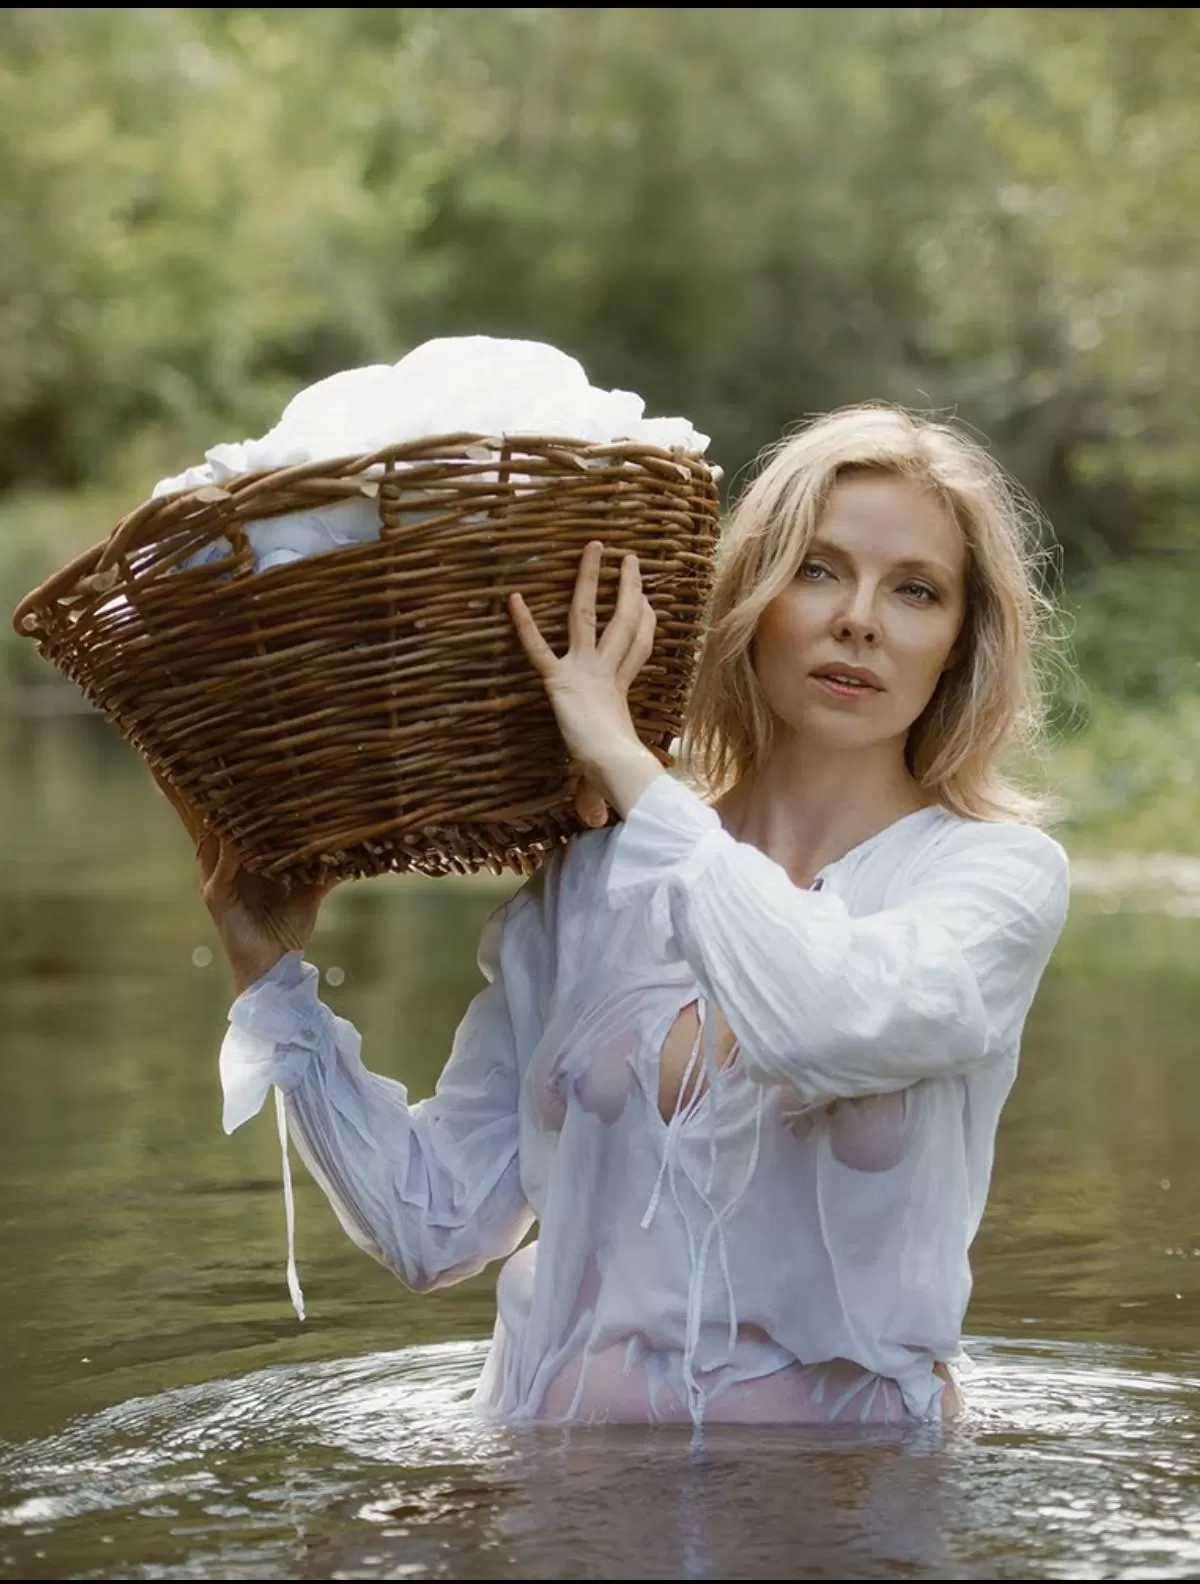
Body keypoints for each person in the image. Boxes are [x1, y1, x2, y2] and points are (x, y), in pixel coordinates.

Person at [164, 403, 1071, 1430]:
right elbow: (432, 1226)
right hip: (553, 1492)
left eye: (916, 590)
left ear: (958, 642)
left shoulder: (993, 878)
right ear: (751, 598)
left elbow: (822, 1017)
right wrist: (268, 975)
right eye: (817, 570)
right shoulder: (589, 881)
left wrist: (633, 770)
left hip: (841, 1509)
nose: (859, 617)